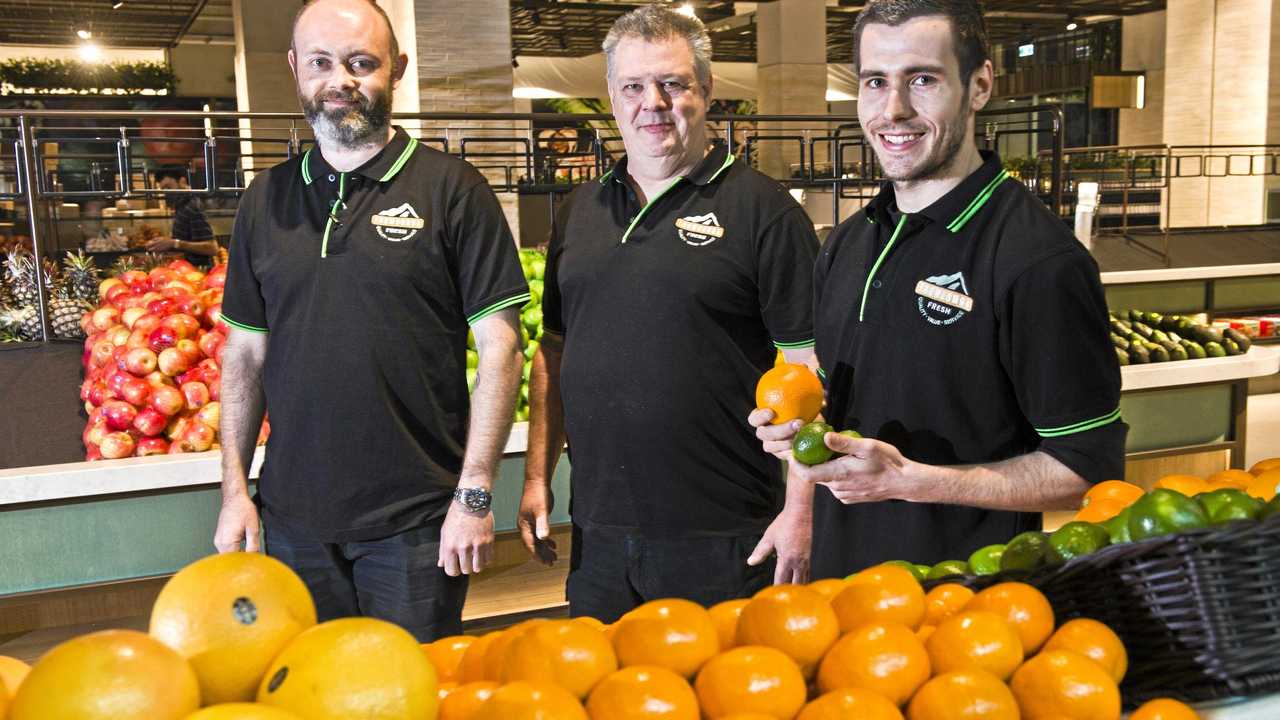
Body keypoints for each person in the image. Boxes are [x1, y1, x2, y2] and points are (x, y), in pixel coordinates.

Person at [751, 0, 1126, 579]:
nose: (893, 110)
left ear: (978, 86)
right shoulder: (848, 242)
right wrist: (796, 456)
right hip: (841, 589)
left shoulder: (1038, 260)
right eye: (876, 82)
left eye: (921, 80)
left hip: (965, 602)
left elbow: (1085, 470)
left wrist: (911, 482)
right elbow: (831, 394)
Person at [215, 0, 528, 641]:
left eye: (362, 62)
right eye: (323, 62)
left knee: (411, 694)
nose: (342, 80)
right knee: (311, 691)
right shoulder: (263, 201)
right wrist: (234, 493)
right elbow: (243, 356)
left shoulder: (452, 189)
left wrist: (474, 495)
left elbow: (502, 349)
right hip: (294, 521)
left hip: (416, 523)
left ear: (397, 69)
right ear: (296, 68)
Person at [519, 4, 820, 623]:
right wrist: (535, 478)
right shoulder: (580, 210)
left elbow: (807, 370)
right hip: (600, 531)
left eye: (673, 83)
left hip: (727, 533)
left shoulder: (765, 214)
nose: (652, 102)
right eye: (633, 86)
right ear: (611, 96)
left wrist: (802, 508)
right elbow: (553, 349)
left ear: (705, 90)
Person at [145, 167, 220, 266]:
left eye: (169, 187)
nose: (167, 193)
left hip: (197, 273)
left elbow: (212, 248)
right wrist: (164, 243)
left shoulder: (192, 206)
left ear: (182, 181)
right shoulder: (181, 205)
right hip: (184, 270)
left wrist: (174, 243)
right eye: (164, 190)